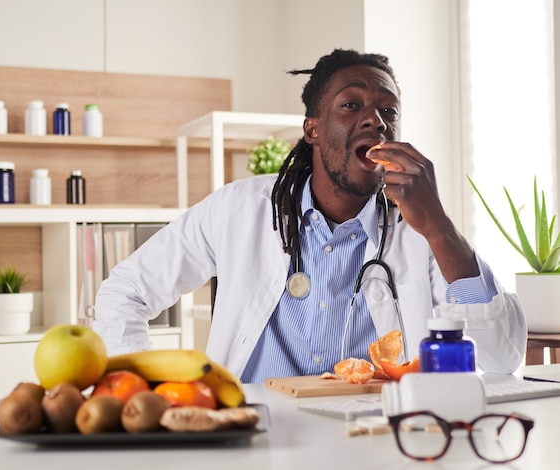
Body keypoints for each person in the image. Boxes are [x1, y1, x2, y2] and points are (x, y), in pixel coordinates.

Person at [93, 48, 526, 383]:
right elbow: (124, 293)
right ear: (313, 129)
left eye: (388, 111)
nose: (375, 121)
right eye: (351, 105)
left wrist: (439, 227)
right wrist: (142, 390)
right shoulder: (237, 210)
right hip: (256, 440)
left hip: (373, 440)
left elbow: (502, 356)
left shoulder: (420, 233)